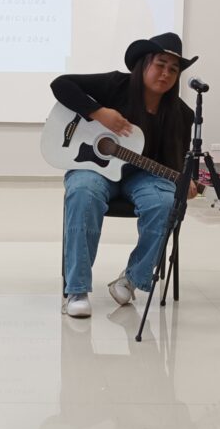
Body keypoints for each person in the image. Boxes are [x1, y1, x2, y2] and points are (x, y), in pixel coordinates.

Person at [52, 32, 199, 318]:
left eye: (174, 69)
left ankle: (131, 279)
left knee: (165, 204)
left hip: (143, 176)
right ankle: (77, 289)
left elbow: (178, 159)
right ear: (144, 64)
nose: (166, 73)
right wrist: (98, 112)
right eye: (161, 64)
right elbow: (61, 85)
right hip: (95, 169)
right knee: (82, 192)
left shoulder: (182, 114)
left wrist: (185, 177)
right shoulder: (116, 84)